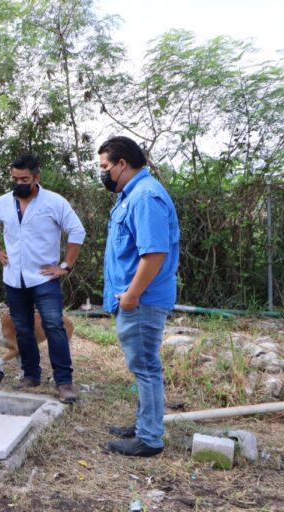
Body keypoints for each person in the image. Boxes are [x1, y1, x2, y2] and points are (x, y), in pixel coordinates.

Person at [98, 136, 180, 457]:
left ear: (122, 164)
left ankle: (149, 438)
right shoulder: (130, 196)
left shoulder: (145, 197)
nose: (102, 173)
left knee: (146, 367)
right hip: (134, 299)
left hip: (141, 300)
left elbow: (155, 253)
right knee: (142, 365)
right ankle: (144, 423)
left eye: (105, 166)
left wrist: (132, 295)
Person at [0, 154, 86, 404]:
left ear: (37, 178)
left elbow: (76, 231)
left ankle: (64, 382)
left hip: (44, 278)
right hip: (13, 278)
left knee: (53, 326)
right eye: (15, 178)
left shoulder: (54, 202)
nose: (19, 182)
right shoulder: (2, 203)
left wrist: (65, 266)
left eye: (24, 178)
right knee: (23, 328)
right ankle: (31, 375)